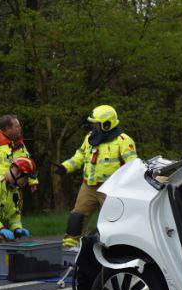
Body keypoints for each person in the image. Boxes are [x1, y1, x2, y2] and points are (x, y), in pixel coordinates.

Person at [55, 104, 137, 248]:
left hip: (112, 190)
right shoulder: (90, 138)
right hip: (88, 187)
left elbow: (133, 167)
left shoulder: (123, 141)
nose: (94, 127)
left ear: (106, 124)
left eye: (97, 124)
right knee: (77, 217)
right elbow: (79, 156)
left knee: (115, 222)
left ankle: (116, 251)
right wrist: (65, 167)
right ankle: (71, 250)